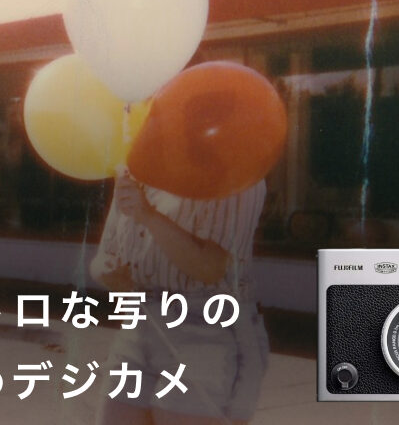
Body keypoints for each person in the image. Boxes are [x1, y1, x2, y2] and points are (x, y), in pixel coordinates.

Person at [90, 174, 269, 425]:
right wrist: (109, 273)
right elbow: (105, 256)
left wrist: (148, 215)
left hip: (207, 329)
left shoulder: (238, 173)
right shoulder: (134, 172)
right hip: (140, 324)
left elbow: (209, 268)